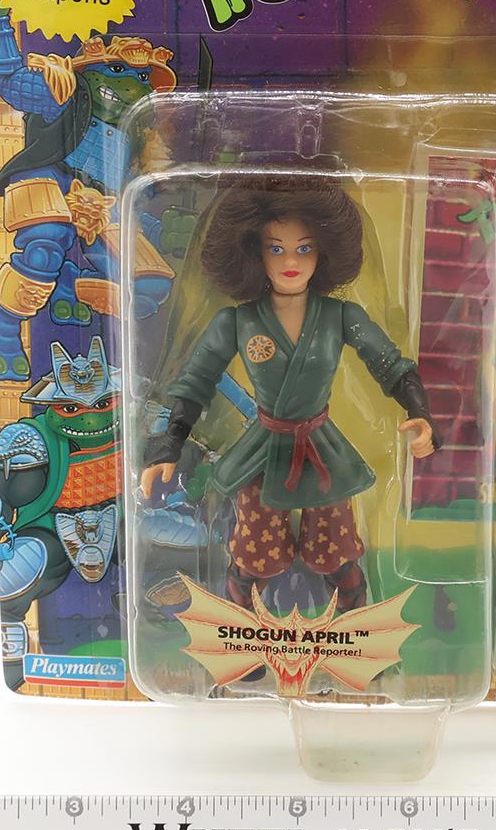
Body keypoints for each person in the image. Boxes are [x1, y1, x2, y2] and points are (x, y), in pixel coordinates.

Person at [141, 175, 438, 613]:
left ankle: (353, 626)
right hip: (262, 451)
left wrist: (419, 411)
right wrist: (169, 445)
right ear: (254, 251)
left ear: (324, 250)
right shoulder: (237, 322)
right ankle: (242, 628)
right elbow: (195, 382)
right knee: (254, 555)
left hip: (322, 449)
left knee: (337, 553)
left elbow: (389, 363)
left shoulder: (340, 316)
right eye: (276, 249)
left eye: (305, 248)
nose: (291, 262)